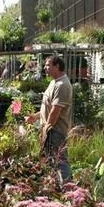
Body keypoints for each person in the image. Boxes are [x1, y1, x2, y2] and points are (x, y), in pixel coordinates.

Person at [25, 55, 73, 183]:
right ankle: (56, 187)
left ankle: (68, 190)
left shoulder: (62, 85)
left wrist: (47, 128)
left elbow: (55, 110)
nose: (45, 68)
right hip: (49, 129)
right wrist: (34, 117)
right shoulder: (54, 82)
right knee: (50, 161)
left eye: (47, 65)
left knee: (60, 162)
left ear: (57, 66)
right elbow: (47, 107)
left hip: (55, 130)